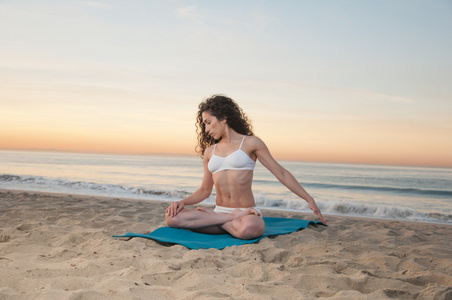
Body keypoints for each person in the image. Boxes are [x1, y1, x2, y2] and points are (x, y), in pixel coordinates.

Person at [165, 95, 327, 240]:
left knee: (251, 228)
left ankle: (222, 220)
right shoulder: (210, 152)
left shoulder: (251, 143)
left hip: (246, 213)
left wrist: (308, 199)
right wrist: (182, 202)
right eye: (204, 125)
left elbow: (281, 173)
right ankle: (227, 220)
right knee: (172, 217)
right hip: (219, 212)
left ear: (223, 118)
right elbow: (205, 191)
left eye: (208, 122)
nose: (206, 130)